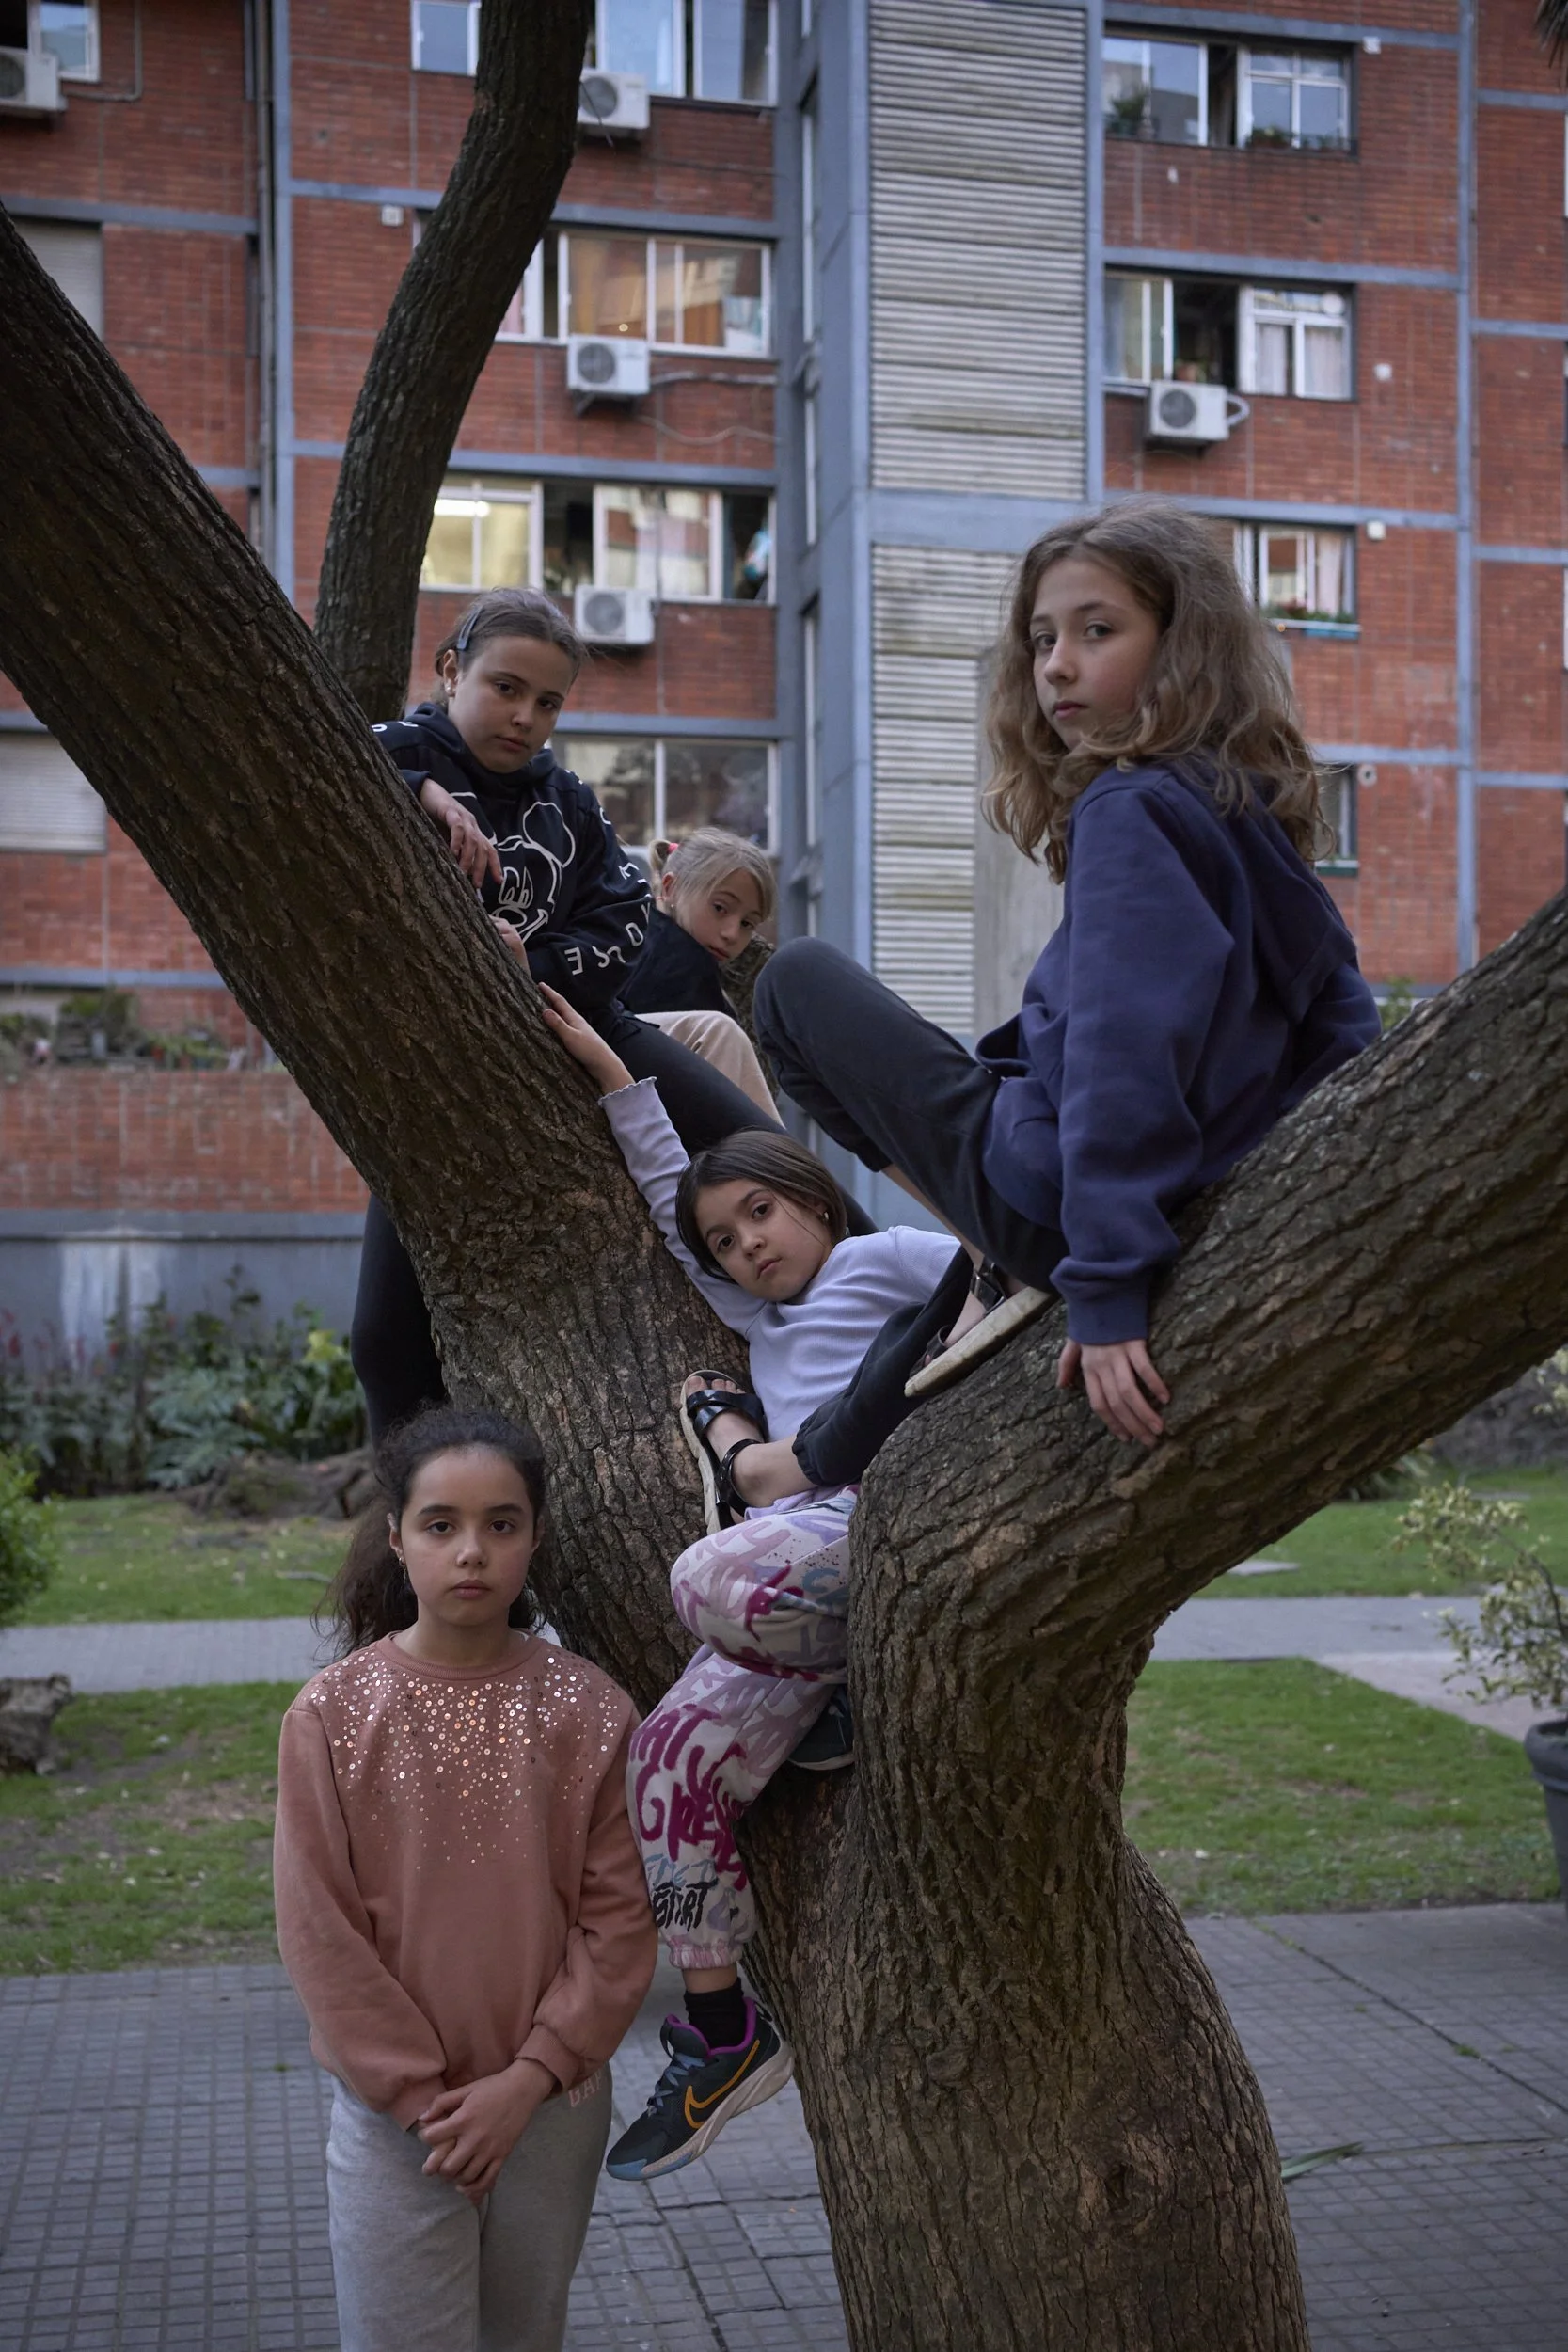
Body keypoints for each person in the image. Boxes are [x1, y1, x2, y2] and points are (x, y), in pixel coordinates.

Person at [751, 498, 1382, 1469]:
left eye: (1097, 630)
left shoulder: (1127, 809)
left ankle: (989, 1260)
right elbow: (1341, 1013)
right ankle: (981, 1264)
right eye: (1043, 638)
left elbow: (1119, 1056)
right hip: (1143, 1192)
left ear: (1182, 646)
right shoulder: (1237, 805)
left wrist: (1108, 1280)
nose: (1055, 664)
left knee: (792, 984)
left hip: (1061, 1205)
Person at [537, 984, 973, 2184]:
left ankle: (839, 1686)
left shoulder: (882, 1258)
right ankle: (723, 2029)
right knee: (663, 1761)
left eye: (762, 1214)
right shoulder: (753, 1315)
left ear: (812, 1199)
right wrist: (615, 1081)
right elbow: (663, 1196)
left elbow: (988, 1274)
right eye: (726, 1240)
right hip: (792, 1572)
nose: (747, 1247)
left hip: (867, 1520)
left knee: (704, 1575)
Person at [351, 588, 832, 1442]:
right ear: (451, 671)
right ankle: (410, 1501)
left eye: (548, 702)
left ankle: (919, 1308)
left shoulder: (568, 802)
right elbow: (335, 759)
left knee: (776, 1158)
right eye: (504, 688)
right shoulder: (394, 754)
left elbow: (621, 931)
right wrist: (426, 794)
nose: (524, 717)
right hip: (446, 1068)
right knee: (384, 1341)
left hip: (590, 1024)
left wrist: (519, 970)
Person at [273, 1406, 656, 2352]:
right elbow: (319, 1931)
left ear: (535, 1537)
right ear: (396, 1538)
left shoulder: (588, 1709)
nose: (471, 1550)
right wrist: (420, 2102)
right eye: (440, 1524)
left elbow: (619, 1922)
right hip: (397, 2123)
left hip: (549, 2109)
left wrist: (525, 2082)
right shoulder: (331, 1715)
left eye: (501, 1523)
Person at [621, 830, 780, 1116]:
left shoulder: (633, 932)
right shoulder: (683, 964)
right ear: (670, 888)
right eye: (720, 908)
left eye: (747, 924)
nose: (732, 934)